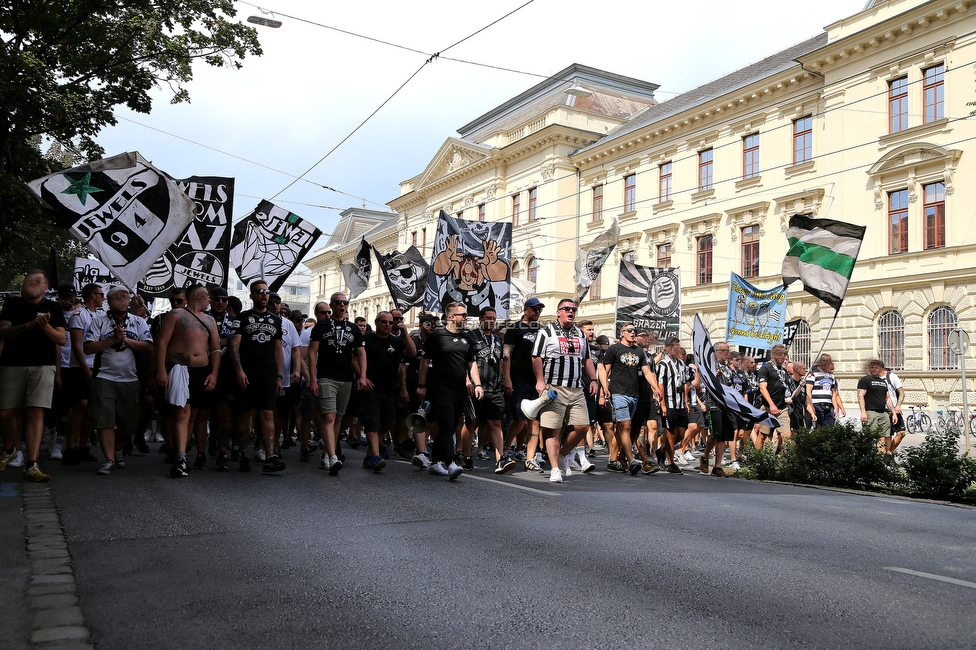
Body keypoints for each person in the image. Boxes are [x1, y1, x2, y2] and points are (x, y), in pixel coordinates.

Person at [0, 269, 67, 482]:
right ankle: (10, 448)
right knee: (6, 412)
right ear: (24, 284)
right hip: (12, 364)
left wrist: (44, 326)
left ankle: (31, 463)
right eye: (30, 279)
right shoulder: (12, 304)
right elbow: (3, 332)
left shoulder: (53, 307)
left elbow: (61, 340)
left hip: (43, 365)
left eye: (39, 281)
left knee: (37, 413)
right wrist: (30, 325)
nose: (34, 283)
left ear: (46, 287)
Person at [83, 287, 153, 475]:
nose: (122, 300)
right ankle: (109, 460)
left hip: (130, 379)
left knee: (128, 422)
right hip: (104, 378)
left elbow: (148, 347)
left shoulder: (138, 322)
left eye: (125, 297)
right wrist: (112, 340)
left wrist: (127, 341)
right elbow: (88, 348)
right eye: (117, 297)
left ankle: (118, 446)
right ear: (109, 301)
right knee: (104, 419)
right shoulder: (99, 322)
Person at [154, 284, 221, 477]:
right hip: (180, 369)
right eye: (207, 296)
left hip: (203, 371)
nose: (209, 299)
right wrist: (160, 370)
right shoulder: (175, 315)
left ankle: (181, 452)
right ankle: (180, 457)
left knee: (195, 414)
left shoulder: (209, 320)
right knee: (182, 412)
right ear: (197, 296)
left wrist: (214, 373)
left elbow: (215, 349)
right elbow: (162, 343)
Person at [531, 298, 599, 483]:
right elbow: (536, 357)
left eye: (573, 309)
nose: (571, 312)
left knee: (582, 426)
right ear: (558, 312)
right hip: (554, 386)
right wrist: (540, 381)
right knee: (553, 429)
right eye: (567, 309)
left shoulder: (580, 333)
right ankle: (554, 468)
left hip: (577, 387)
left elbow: (587, 359)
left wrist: (593, 380)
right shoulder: (546, 332)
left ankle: (563, 454)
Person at [417, 302, 483, 481]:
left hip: (460, 389)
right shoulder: (436, 336)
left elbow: (471, 363)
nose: (466, 318)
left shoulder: (466, 338)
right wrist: (421, 385)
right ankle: (451, 462)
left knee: (451, 425)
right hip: (440, 387)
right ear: (452, 317)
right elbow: (424, 362)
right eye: (463, 314)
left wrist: (477, 384)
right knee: (446, 423)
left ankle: (435, 462)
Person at [307, 292, 370, 476]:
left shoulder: (353, 328)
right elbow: (312, 353)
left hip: (346, 378)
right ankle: (334, 457)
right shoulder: (321, 326)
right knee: (328, 417)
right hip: (326, 376)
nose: (342, 306)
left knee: (339, 418)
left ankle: (327, 454)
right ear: (332, 305)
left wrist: (363, 376)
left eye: (345, 303)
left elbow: (361, 353)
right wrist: (312, 378)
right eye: (338, 302)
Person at [228, 280, 286, 474]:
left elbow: (278, 349)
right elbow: (234, 344)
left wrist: (279, 376)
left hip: (268, 374)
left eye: (266, 292)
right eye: (259, 291)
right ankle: (244, 455)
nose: (264, 295)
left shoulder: (275, 320)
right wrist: (239, 371)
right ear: (252, 296)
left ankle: (270, 457)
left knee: (267, 414)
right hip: (247, 373)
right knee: (245, 414)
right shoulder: (242, 318)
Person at [599, 323, 657, 476]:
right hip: (618, 393)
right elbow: (605, 371)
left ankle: (612, 461)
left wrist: (656, 388)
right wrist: (603, 389)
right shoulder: (614, 349)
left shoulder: (638, 351)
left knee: (622, 428)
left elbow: (647, 372)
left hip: (634, 395)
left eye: (634, 331)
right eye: (629, 330)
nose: (633, 333)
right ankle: (631, 461)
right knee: (625, 425)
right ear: (622, 333)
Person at [361, 311, 415, 472]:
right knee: (372, 423)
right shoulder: (366, 340)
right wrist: (362, 377)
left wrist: (405, 332)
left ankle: (369, 457)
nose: (387, 325)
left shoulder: (396, 342)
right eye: (384, 322)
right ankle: (377, 456)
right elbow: (355, 359)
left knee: (383, 426)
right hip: (370, 389)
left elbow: (412, 353)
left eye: (390, 323)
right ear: (377, 322)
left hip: (389, 390)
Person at [468, 307, 515, 474]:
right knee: (471, 423)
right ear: (481, 319)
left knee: (496, 423)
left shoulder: (497, 338)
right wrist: (469, 381)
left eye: (494, 318)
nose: (491, 321)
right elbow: (467, 361)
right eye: (488, 317)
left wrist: (504, 380)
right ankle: (465, 455)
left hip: (493, 388)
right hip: (475, 387)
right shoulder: (471, 336)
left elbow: (502, 361)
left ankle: (500, 459)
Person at [61, 283, 104, 464]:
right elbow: (77, 345)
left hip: (98, 365)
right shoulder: (79, 315)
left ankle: (83, 446)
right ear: (92, 296)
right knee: (80, 404)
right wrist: (85, 369)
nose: (103, 297)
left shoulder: (101, 315)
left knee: (91, 408)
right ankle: (69, 447)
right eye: (101, 294)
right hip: (80, 366)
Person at [501, 297, 545, 472]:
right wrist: (507, 379)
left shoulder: (541, 330)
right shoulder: (514, 329)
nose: (537, 313)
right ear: (526, 310)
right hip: (518, 380)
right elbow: (506, 355)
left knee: (534, 420)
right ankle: (504, 449)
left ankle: (530, 457)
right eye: (534, 309)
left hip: (536, 381)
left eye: (539, 310)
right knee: (519, 419)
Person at [655, 336, 693, 474]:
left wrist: (686, 401)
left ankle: (662, 451)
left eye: (677, 344)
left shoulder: (682, 365)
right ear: (666, 348)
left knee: (681, 434)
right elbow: (660, 384)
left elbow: (685, 383)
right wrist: (663, 404)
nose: (675, 347)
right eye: (672, 345)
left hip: (680, 403)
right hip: (669, 402)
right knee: (671, 433)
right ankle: (671, 463)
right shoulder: (663, 364)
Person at [698, 341, 735, 476]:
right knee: (715, 434)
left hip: (727, 406)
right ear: (717, 352)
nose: (727, 353)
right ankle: (705, 456)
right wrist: (714, 376)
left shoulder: (728, 369)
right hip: (714, 405)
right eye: (724, 351)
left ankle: (717, 466)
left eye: (727, 351)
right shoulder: (710, 366)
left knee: (723, 438)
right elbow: (703, 382)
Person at [757, 344, 791, 451]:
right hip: (768, 408)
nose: (783, 357)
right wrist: (771, 405)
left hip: (782, 408)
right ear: (774, 354)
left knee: (787, 435)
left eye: (784, 354)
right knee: (763, 435)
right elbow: (762, 388)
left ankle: (786, 462)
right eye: (780, 354)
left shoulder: (784, 371)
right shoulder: (765, 368)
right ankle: (758, 459)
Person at [857, 360, 896, 444]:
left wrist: (894, 413)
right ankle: (864, 453)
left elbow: (887, 398)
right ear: (869, 369)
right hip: (871, 412)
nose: (874, 369)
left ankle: (883, 456)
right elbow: (861, 396)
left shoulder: (883, 382)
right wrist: (863, 412)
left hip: (883, 412)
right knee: (871, 435)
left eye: (876, 368)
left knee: (885, 436)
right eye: (872, 367)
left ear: (880, 369)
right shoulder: (865, 380)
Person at [806, 354, 843, 427]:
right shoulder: (813, 374)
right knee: (819, 428)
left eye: (827, 361)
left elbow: (833, 394)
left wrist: (835, 408)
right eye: (823, 361)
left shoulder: (831, 376)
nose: (825, 363)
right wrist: (811, 406)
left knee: (829, 428)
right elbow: (808, 391)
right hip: (817, 405)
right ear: (820, 361)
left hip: (829, 406)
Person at [878, 363, 905, 454]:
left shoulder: (891, 377)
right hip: (882, 410)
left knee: (901, 433)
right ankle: (882, 457)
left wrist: (898, 405)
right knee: (885, 436)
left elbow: (901, 393)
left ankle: (889, 453)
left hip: (894, 410)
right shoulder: (872, 379)